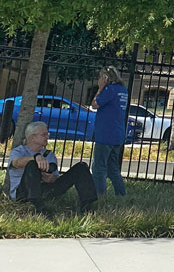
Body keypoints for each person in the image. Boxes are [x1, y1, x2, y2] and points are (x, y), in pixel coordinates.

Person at [8, 122, 97, 213]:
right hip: (24, 193)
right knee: (32, 164)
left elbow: (54, 178)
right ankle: (38, 206)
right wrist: (35, 158)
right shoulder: (19, 151)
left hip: (44, 189)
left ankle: (87, 205)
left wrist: (47, 177)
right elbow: (16, 163)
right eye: (44, 134)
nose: (47, 137)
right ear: (32, 137)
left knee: (81, 167)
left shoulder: (49, 155)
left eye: (48, 134)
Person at [91, 66, 129, 197]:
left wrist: (100, 88)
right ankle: (121, 194)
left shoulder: (109, 90)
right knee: (113, 168)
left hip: (105, 134)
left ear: (106, 78)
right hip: (117, 134)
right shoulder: (123, 90)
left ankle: (99, 195)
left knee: (98, 168)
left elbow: (94, 104)